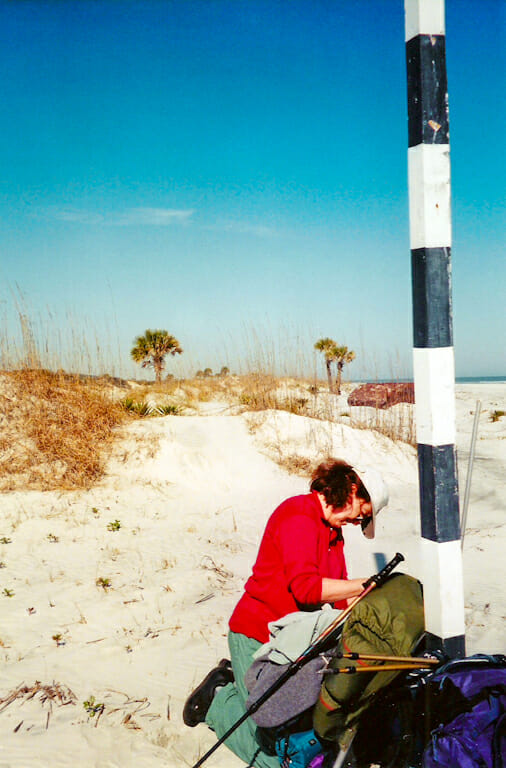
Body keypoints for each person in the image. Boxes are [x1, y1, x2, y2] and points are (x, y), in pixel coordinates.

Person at [183, 459, 389, 768]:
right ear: (353, 488)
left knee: (294, 733)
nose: (357, 521)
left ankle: (237, 684)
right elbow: (306, 588)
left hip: (290, 643)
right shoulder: (298, 515)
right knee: (272, 756)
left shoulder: (333, 533)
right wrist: (363, 585)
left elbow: (338, 596)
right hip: (256, 634)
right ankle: (216, 700)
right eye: (361, 512)